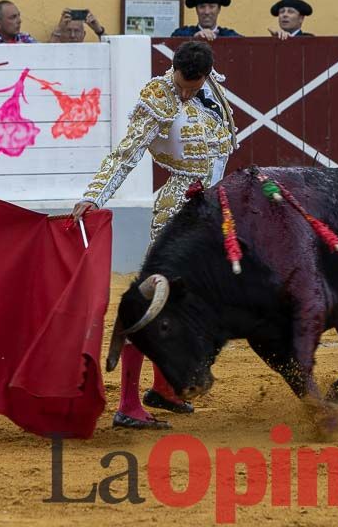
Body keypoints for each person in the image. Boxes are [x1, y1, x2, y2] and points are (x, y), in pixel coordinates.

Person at [72, 39, 236, 429]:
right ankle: (128, 404)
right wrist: (94, 197)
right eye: (181, 83)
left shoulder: (212, 88)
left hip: (212, 203)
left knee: (188, 300)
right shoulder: (157, 97)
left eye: (192, 87)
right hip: (180, 205)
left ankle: (163, 389)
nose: (184, 93)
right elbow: (125, 154)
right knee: (154, 299)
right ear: (173, 69)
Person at [172, 0, 242, 38]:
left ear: (219, 9)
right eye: (202, 7)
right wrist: (194, 39)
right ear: (196, 10)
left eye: (212, 7)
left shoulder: (230, 36)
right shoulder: (181, 34)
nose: (207, 12)